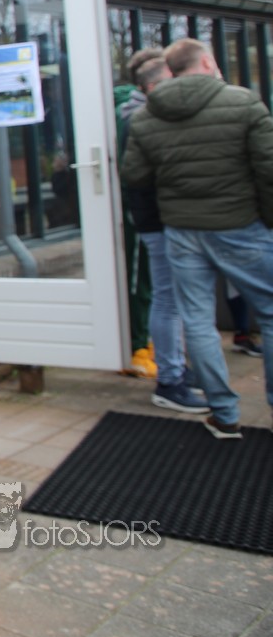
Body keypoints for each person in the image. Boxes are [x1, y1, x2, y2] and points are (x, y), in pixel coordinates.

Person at [122, 37, 273, 439]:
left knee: (197, 320)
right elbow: (268, 167)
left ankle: (224, 414)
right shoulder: (243, 103)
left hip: (182, 230)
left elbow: (135, 175)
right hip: (242, 225)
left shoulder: (147, 117)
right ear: (206, 62)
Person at [118, 50, 207, 412]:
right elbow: (136, 175)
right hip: (155, 221)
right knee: (163, 297)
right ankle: (167, 374)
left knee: (173, 298)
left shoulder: (148, 115)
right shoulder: (137, 118)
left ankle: (176, 368)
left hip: (169, 219)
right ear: (155, 85)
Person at [113, 47, 163, 379]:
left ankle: (147, 339)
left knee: (152, 281)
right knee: (137, 279)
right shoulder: (130, 114)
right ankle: (135, 346)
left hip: (154, 211)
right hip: (137, 210)